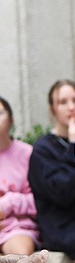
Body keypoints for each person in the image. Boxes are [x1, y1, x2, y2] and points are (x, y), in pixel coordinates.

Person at [27, 81, 75, 263]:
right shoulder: (42, 149)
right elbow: (63, 192)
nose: (71, 107)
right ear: (52, 109)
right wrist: (72, 146)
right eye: (62, 102)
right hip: (63, 228)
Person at [0, 97, 38, 258]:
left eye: (0, 113)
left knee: (20, 256)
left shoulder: (28, 154)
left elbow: (40, 201)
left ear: (11, 120)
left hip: (16, 228)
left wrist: (9, 203)